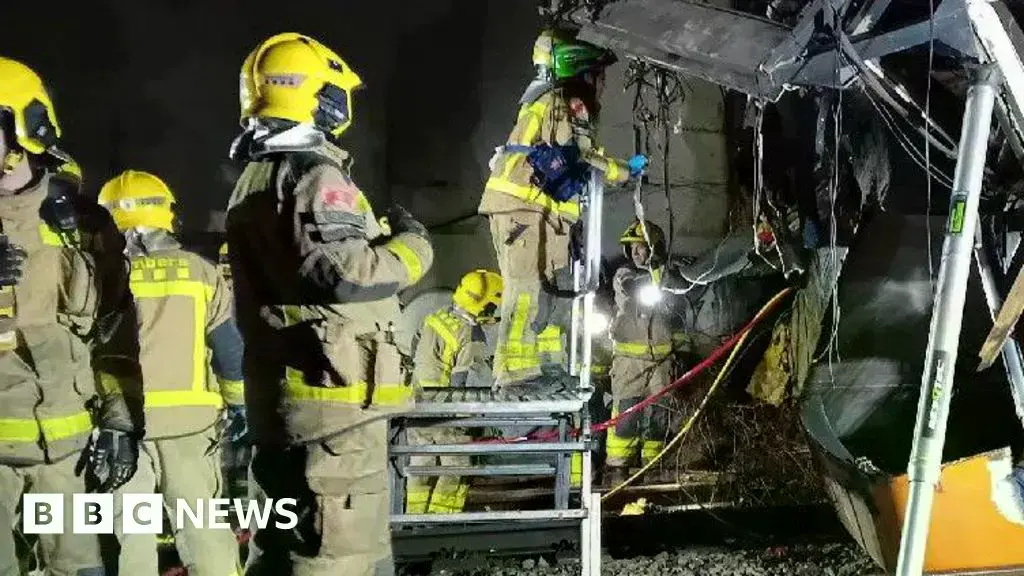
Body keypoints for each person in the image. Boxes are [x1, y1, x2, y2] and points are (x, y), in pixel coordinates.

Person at [225, 32, 433, 576]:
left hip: (296, 405)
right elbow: (345, 274)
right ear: (319, 96)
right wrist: (414, 246)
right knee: (338, 556)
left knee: (284, 551)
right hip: (333, 414)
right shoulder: (314, 174)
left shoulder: (257, 175)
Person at [0, 56, 142, 575]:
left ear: (23, 129)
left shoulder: (81, 223)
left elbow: (114, 331)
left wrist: (122, 424)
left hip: (68, 454)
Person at [478, 28, 647, 390]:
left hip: (533, 212)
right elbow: (582, 155)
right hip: (524, 209)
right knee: (523, 290)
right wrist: (624, 172)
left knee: (539, 291)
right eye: (598, 75)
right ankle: (512, 375)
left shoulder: (546, 101)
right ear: (580, 70)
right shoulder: (565, 101)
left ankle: (533, 369)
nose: (601, 84)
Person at [97, 169, 246, 576]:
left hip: (121, 427)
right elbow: (229, 350)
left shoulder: (99, 277)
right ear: (166, 214)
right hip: (190, 427)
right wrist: (239, 408)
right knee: (202, 530)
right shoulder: (200, 273)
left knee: (132, 535)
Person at [407, 269, 502, 514]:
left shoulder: (435, 318)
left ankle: (412, 519)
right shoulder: (471, 334)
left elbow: (414, 354)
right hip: (447, 410)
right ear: (484, 305)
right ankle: (442, 522)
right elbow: (468, 382)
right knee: (457, 468)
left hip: (418, 406)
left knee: (422, 466)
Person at [604, 220, 690, 484]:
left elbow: (678, 318)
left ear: (657, 248)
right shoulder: (624, 275)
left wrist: (683, 352)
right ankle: (617, 468)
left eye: (643, 248)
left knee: (659, 414)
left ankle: (653, 465)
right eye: (634, 249)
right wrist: (656, 276)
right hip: (630, 361)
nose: (638, 254)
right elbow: (633, 289)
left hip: (663, 361)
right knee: (626, 415)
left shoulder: (671, 278)